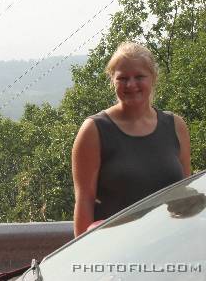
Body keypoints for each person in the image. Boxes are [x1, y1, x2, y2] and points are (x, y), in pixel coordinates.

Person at [71, 41, 191, 237]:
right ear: (113, 80)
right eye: (123, 78)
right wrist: (83, 258)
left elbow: (184, 192)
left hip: (171, 244)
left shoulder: (175, 125)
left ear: (153, 78)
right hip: (118, 250)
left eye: (139, 77)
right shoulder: (94, 130)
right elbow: (84, 201)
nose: (131, 85)